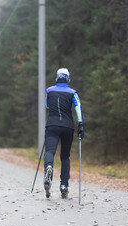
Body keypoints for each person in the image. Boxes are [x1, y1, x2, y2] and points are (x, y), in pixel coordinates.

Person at [43, 68, 84, 199]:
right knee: (65, 157)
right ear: (68, 79)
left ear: (57, 78)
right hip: (68, 126)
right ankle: (64, 186)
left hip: (52, 125)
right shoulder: (73, 93)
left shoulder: (49, 90)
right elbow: (78, 108)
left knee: (50, 152)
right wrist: (81, 125)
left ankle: (49, 167)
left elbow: (47, 105)